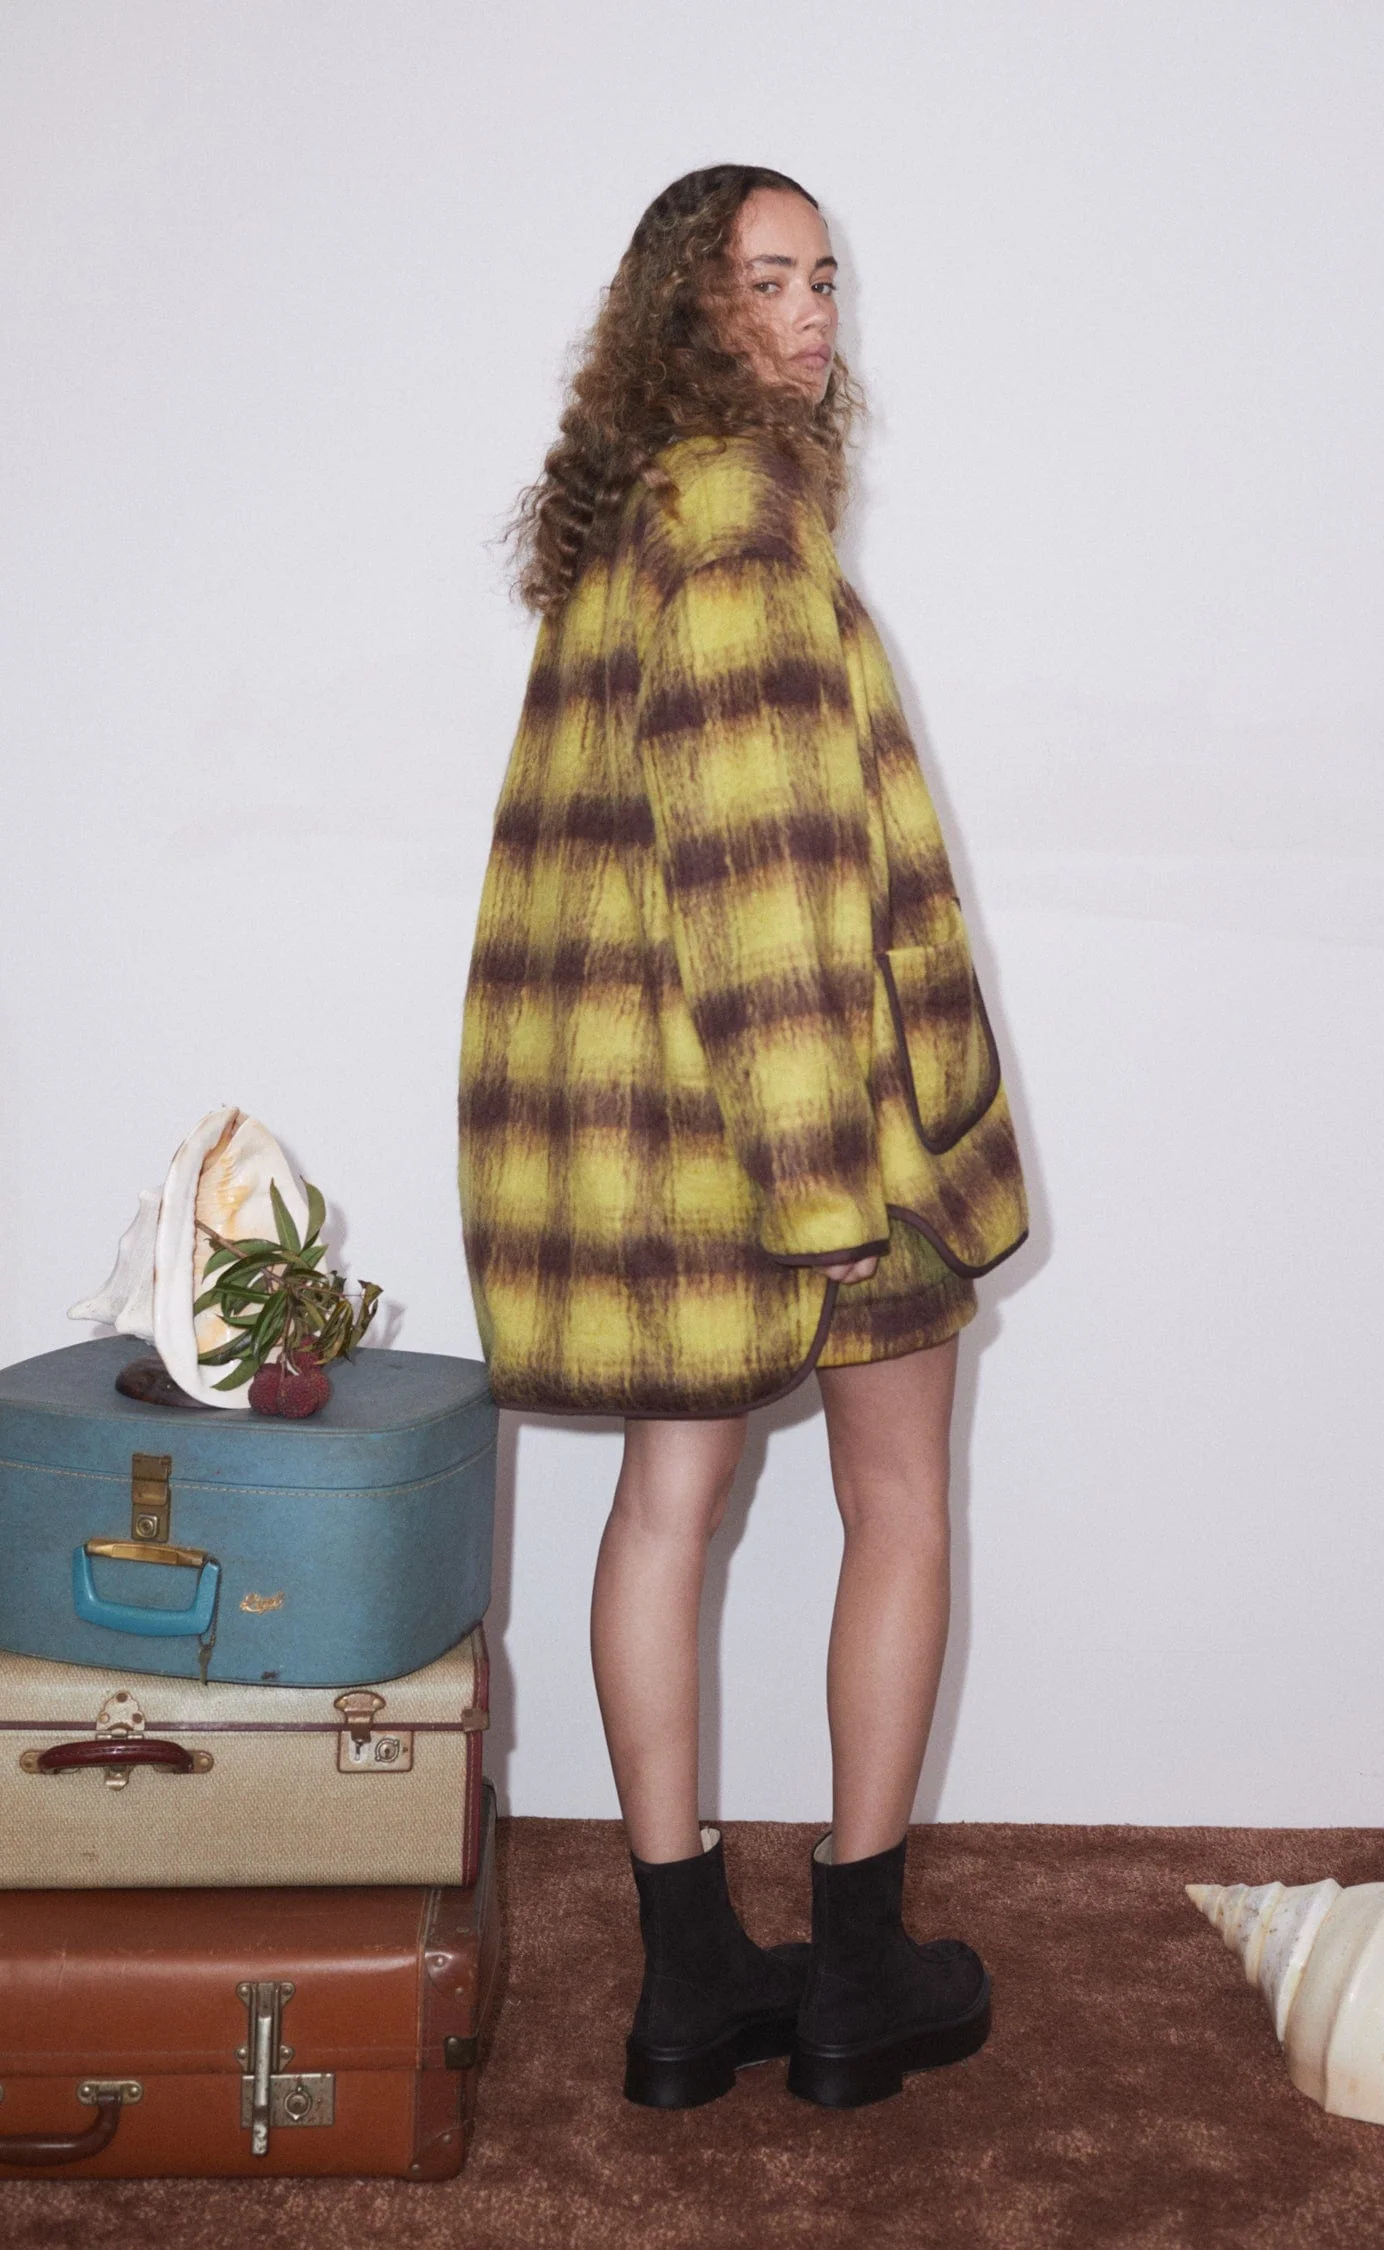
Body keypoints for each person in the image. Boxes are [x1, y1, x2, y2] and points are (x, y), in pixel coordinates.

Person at [459, 165, 1027, 2110]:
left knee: (663, 1507)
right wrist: (827, 1188)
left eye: (823, 280)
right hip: (814, 1127)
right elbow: (769, 878)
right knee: (903, 1499)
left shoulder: (631, 535)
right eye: (763, 283)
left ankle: (689, 1980)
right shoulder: (740, 533)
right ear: (681, 313)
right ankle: (856, 1975)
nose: (808, 318)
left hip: (654, 1140)